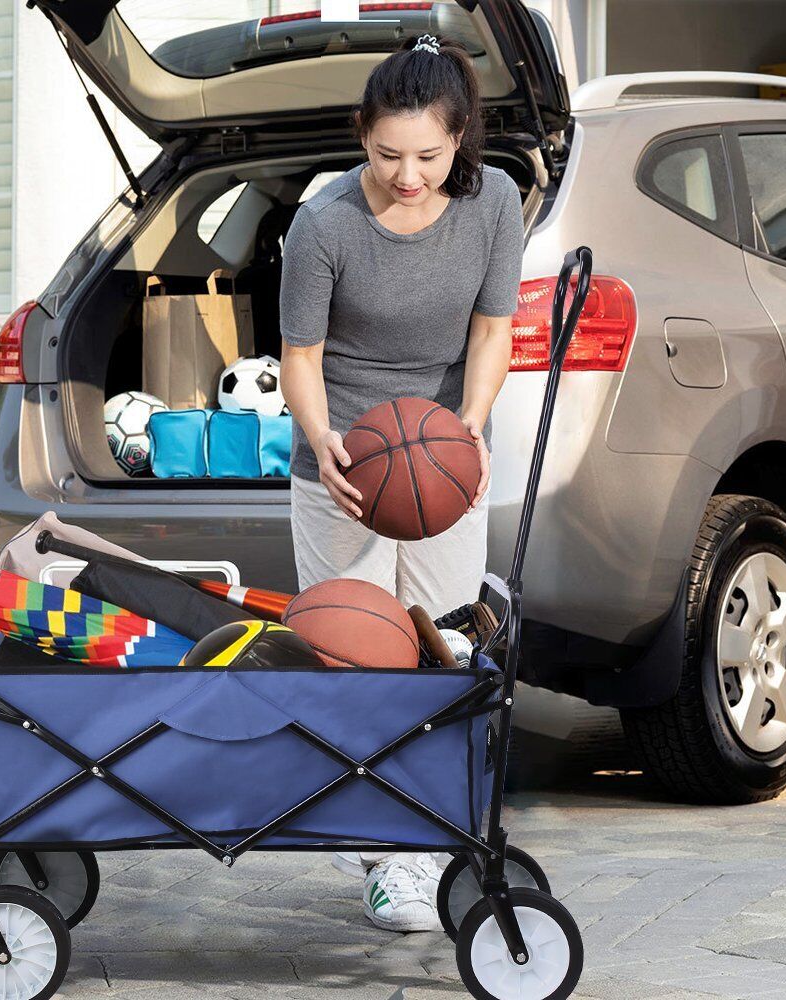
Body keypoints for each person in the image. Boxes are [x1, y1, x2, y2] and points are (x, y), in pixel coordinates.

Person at [278, 32, 524, 933]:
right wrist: (324, 440)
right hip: (344, 461)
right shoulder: (324, 222)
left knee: (447, 653)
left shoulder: (495, 202)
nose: (407, 175)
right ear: (361, 135)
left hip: (441, 461)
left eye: (427, 155)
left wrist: (471, 422)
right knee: (355, 652)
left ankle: (422, 848)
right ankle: (382, 845)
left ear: (461, 139)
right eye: (387, 155)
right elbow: (299, 357)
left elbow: (492, 330)